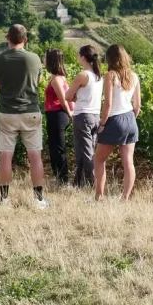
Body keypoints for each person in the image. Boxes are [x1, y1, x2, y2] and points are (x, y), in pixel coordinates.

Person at [0, 24, 48, 208]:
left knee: (6, 156)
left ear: (7, 38)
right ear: (25, 39)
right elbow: (38, 81)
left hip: (7, 112)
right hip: (31, 111)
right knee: (35, 156)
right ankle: (38, 200)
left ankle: (4, 199)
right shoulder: (34, 58)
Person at [93, 44, 141, 201]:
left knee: (99, 159)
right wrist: (130, 118)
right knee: (128, 163)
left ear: (110, 58)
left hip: (114, 120)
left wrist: (102, 124)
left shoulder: (110, 76)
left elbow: (108, 104)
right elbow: (137, 105)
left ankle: (99, 196)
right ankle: (125, 198)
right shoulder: (134, 76)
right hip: (130, 119)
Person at [65, 44, 103, 189]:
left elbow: (68, 96)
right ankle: (80, 183)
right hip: (95, 116)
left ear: (82, 57)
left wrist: (76, 98)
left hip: (83, 115)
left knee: (85, 152)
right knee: (88, 149)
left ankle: (92, 184)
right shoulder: (99, 76)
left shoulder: (82, 75)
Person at [44, 48, 74, 185]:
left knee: (57, 148)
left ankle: (62, 179)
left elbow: (63, 101)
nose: (43, 60)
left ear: (51, 60)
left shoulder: (56, 79)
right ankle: (60, 177)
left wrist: (70, 114)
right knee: (55, 147)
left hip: (57, 116)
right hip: (57, 116)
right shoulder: (60, 77)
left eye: (45, 57)